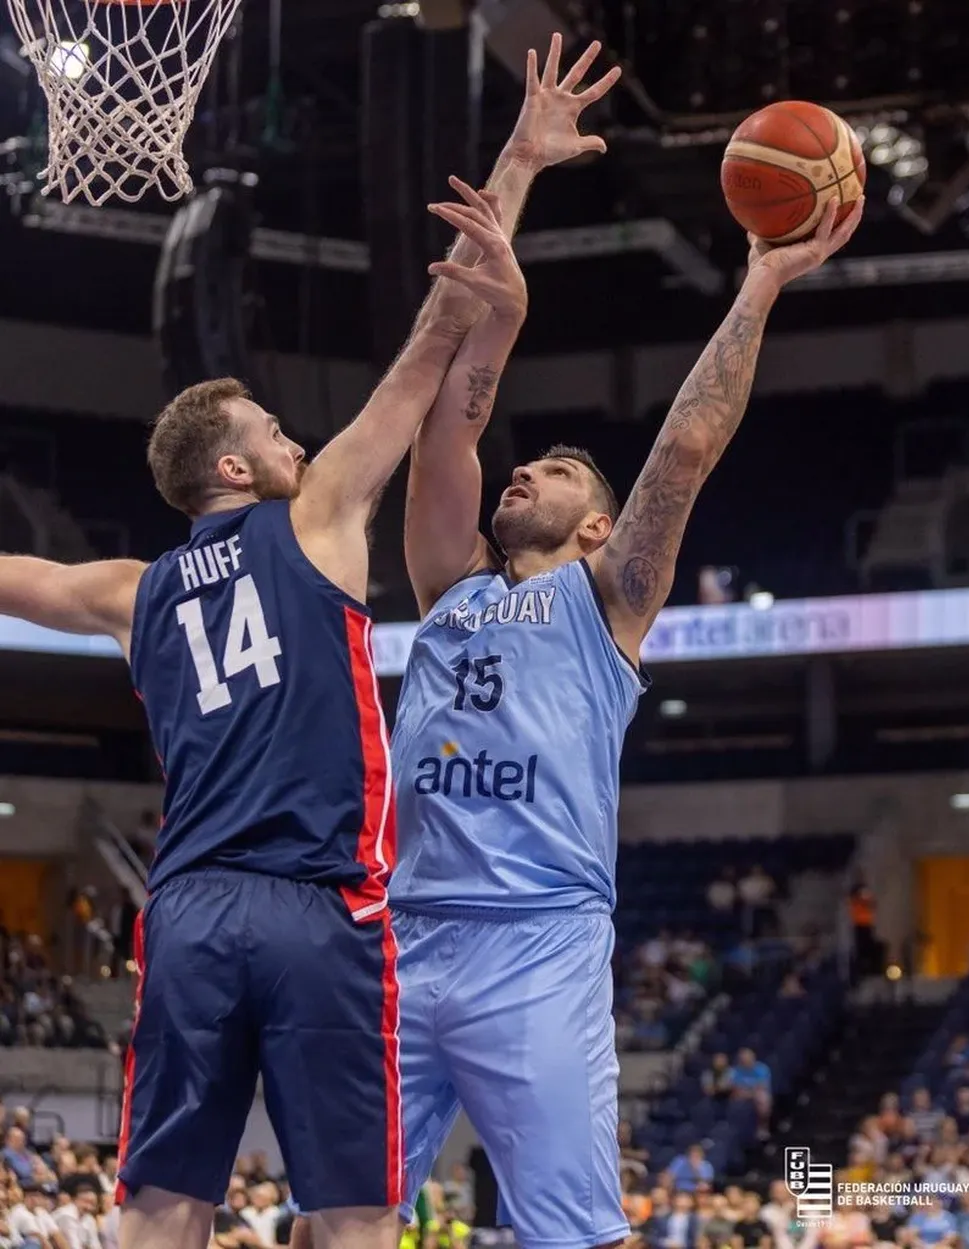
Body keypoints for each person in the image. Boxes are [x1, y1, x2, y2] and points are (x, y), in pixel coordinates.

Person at [388, 15, 865, 1239]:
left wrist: (758, 281)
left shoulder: (603, 603)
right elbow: (444, 419)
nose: (522, 473)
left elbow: (686, 450)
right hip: (401, 936)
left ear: (597, 530)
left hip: (537, 951)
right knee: (336, 1214)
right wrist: (522, 173)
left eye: (550, 471)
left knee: (571, 1232)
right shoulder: (449, 585)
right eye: (527, 462)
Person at [0, 172, 527, 1249]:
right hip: (315, 902)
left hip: (187, 909)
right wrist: (513, 176)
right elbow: (426, 358)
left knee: (160, 1202)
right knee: (353, 1208)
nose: (297, 440)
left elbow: (19, 575)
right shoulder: (321, 512)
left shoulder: (130, 589)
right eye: (274, 430)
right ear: (235, 464)